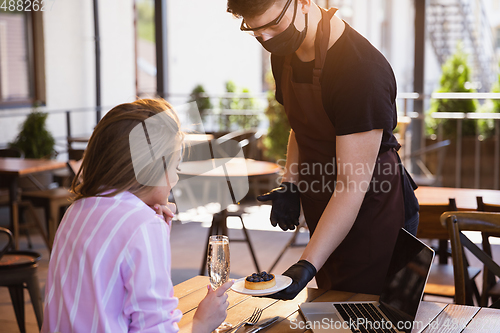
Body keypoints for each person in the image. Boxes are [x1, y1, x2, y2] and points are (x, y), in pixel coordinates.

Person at [227, 0, 419, 299]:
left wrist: (305, 264)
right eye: (255, 31)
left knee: (364, 316)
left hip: (374, 214)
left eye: (273, 25)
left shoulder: (359, 71)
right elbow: (301, 128)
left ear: (303, 2)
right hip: (328, 212)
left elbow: (352, 187)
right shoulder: (284, 52)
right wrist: (290, 184)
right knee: (327, 313)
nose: (266, 39)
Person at [41, 99, 233, 333]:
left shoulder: (75, 211)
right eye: (175, 166)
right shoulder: (143, 226)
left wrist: (157, 234)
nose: (175, 179)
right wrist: (203, 322)